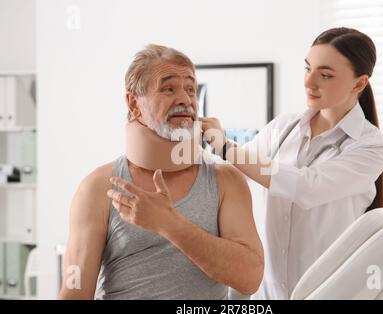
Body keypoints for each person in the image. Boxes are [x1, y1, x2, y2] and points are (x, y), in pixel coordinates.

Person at [58, 44, 264, 300]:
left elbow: (250, 278)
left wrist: (169, 223)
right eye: (168, 88)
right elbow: (75, 289)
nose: (185, 99)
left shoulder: (225, 181)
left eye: (190, 89)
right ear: (134, 104)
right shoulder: (99, 187)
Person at [201, 27, 383, 299]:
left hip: (326, 293)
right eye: (307, 68)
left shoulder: (371, 147)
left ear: (359, 84)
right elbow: (232, 173)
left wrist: (226, 148)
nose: (309, 82)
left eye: (325, 75)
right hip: (267, 294)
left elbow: (307, 187)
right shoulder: (283, 127)